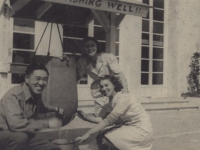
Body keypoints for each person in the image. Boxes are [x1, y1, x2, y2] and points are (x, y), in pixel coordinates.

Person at [76, 75, 153, 150]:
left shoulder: (123, 97)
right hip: (130, 127)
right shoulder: (111, 100)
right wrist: (86, 117)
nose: (104, 88)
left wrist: (87, 134)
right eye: (101, 86)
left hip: (141, 130)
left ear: (114, 85)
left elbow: (109, 120)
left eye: (106, 85)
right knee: (100, 135)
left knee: (107, 139)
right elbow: (104, 119)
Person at [0, 63, 64, 150]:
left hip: (19, 133)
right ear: (27, 78)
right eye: (37, 79)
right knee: (20, 138)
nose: (41, 83)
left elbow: (42, 106)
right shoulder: (13, 96)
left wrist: (56, 109)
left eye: (45, 79)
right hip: (4, 132)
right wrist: (47, 123)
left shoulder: (35, 93)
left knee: (52, 148)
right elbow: (16, 125)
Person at [76, 36, 128, 117]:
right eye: (87, 46)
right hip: (97, 89)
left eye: (92, 45)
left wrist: (125, 89)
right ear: (83, 48)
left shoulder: (107, 57)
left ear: (97, 46)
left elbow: (119, 74)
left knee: (116, 114)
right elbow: (77, 76)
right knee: (100, 115)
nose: (90, 48)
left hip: (112, 88)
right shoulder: (82, 62)